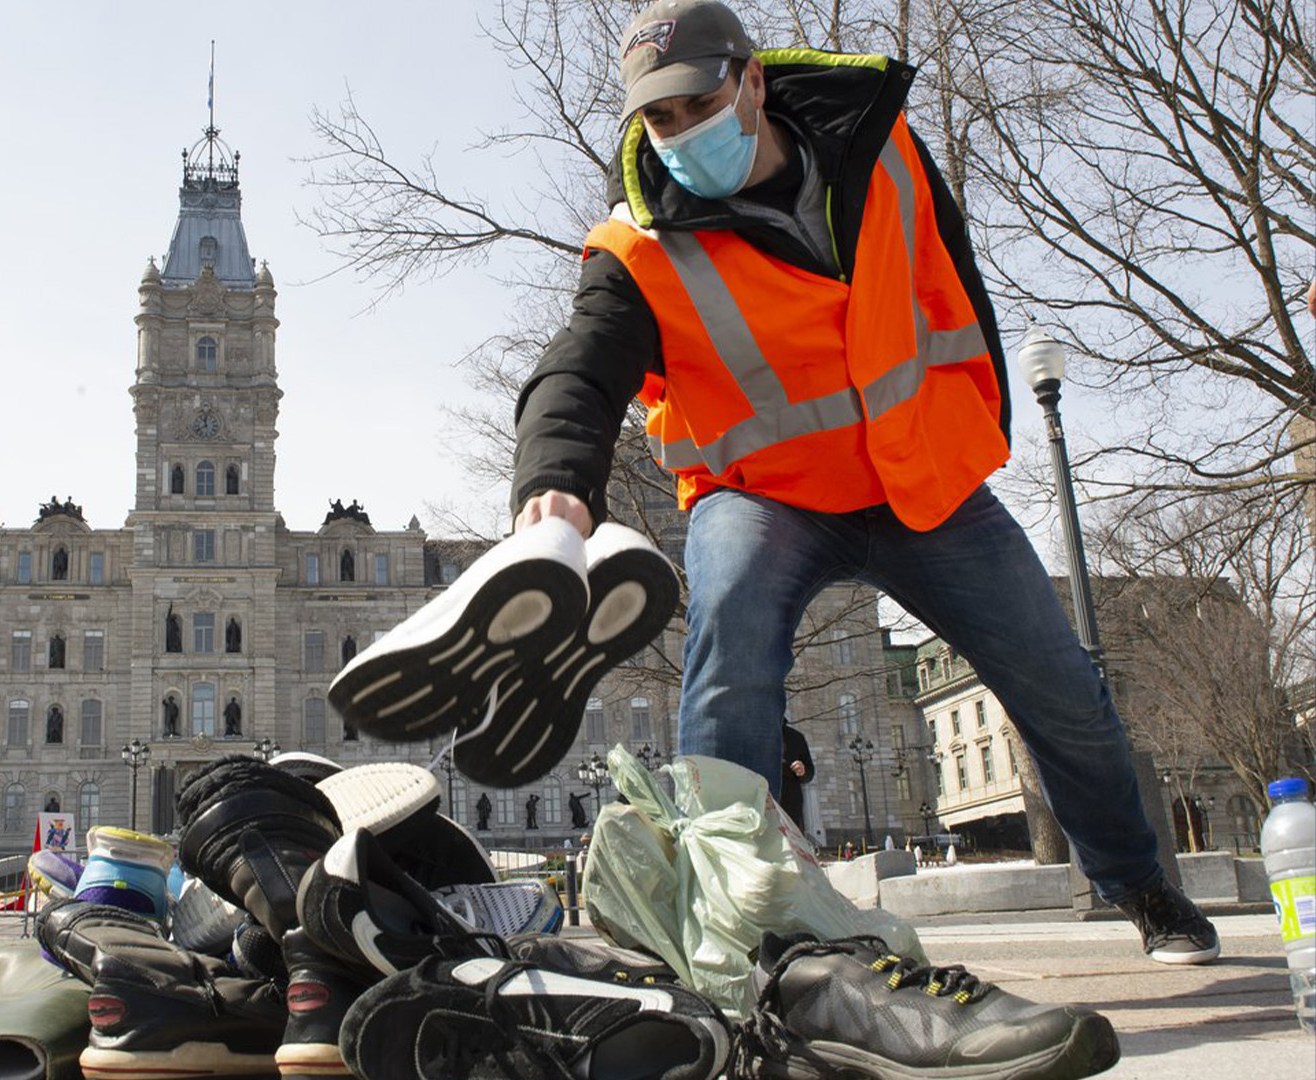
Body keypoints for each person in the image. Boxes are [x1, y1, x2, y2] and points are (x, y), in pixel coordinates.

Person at [509, 0, 1217, 965]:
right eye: (657, 121)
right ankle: (737, 930)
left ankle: (1141, 885)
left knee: (1062, 691)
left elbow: (951, 282)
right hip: (766, 494)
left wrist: (979, 418)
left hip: (917, 482)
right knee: (730, 659)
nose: (677, 135)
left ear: (752, 83)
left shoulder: (881, 149)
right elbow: (579, 370)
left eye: (695, 106)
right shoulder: (640, 251)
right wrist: (555, 483)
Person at [779, 720, 815, 833]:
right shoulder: (753, 734)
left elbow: (809, 772)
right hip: (761, 801)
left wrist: (802, 771)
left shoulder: (795, 737)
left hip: (789, 802)